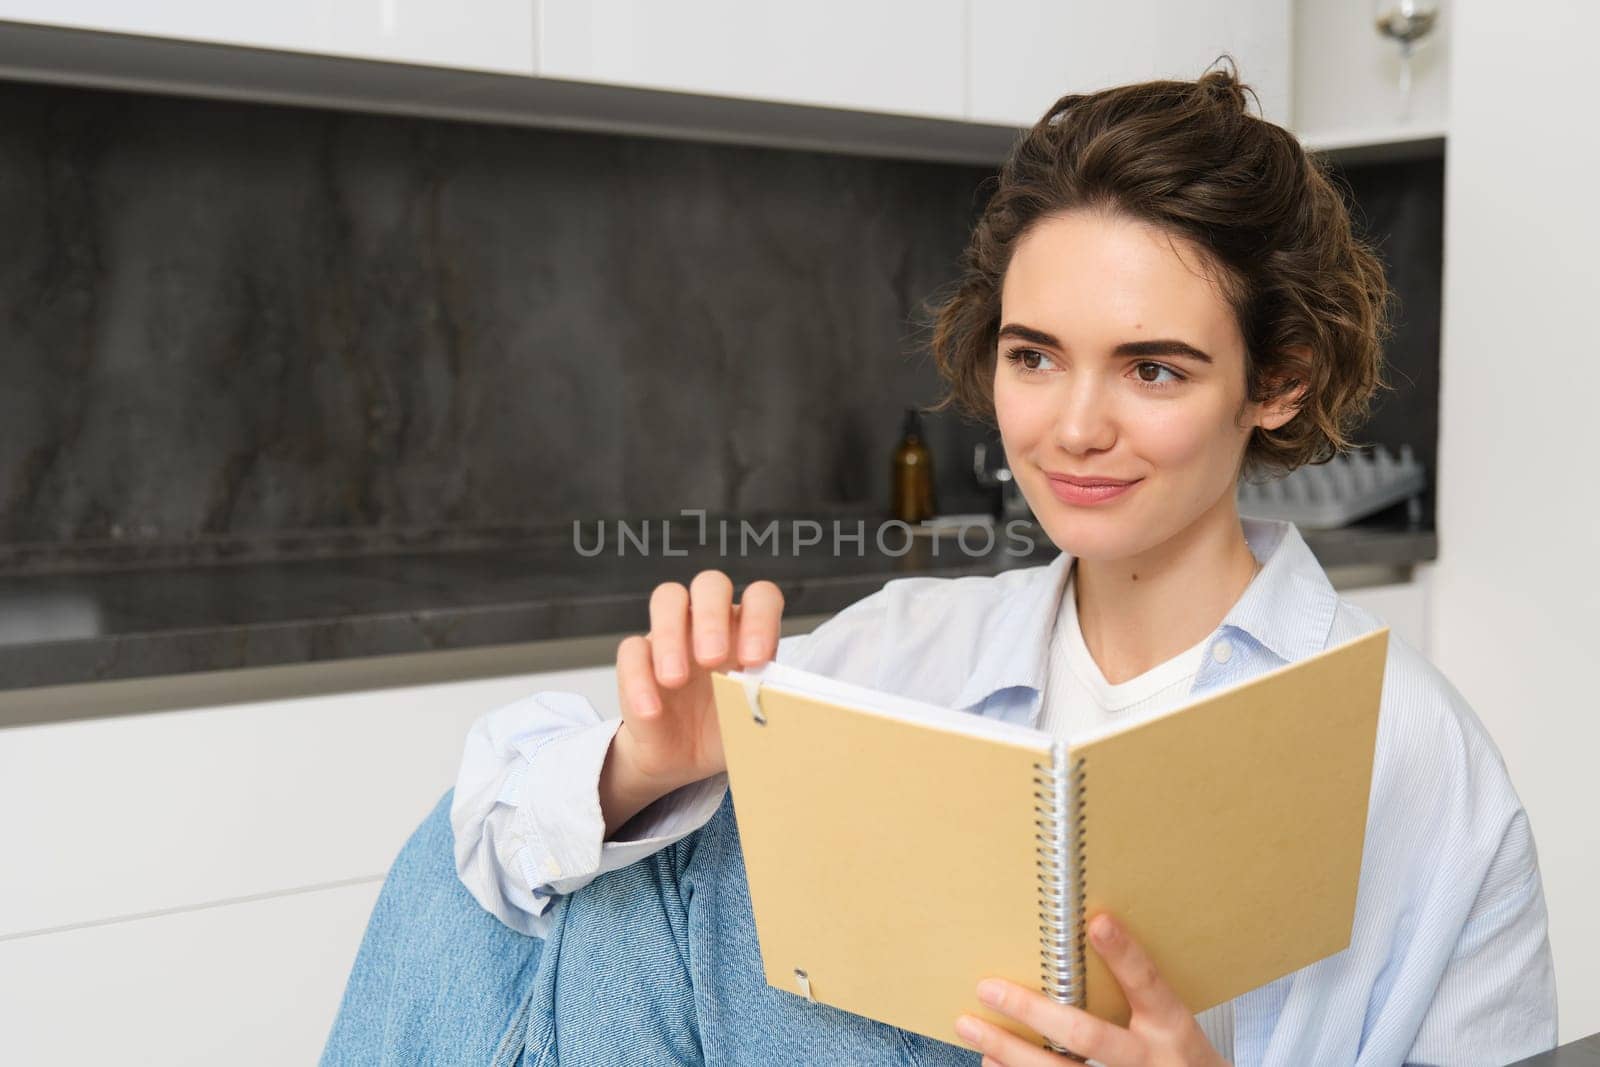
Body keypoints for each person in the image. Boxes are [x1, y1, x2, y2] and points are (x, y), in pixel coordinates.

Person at [323, 68, 1558, 1067]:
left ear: (1275, 384)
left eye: (1154, 368)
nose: (1072, 427)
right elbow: (484, 845)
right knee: (598, 863)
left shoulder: (1415, 758)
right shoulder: (911, 645)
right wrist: (650, 766)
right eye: (1035, 356)